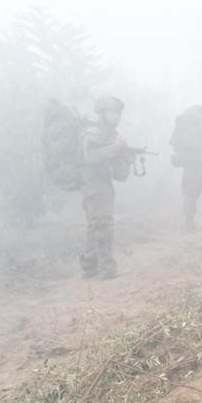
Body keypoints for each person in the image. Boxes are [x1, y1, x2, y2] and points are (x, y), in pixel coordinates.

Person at [79, 95, 130, 279]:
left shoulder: (111, 136)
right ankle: (107, 268)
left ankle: (89, 267)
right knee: (103, 226)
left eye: (118, 113)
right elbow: (91, 157)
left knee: (95, 226)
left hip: (103, 186)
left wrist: (125, 159)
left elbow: (120, 176)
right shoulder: (92, 134)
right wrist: (117, 148)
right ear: (102, 113)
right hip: (94, 186)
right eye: (111, 112)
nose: (116, 116)